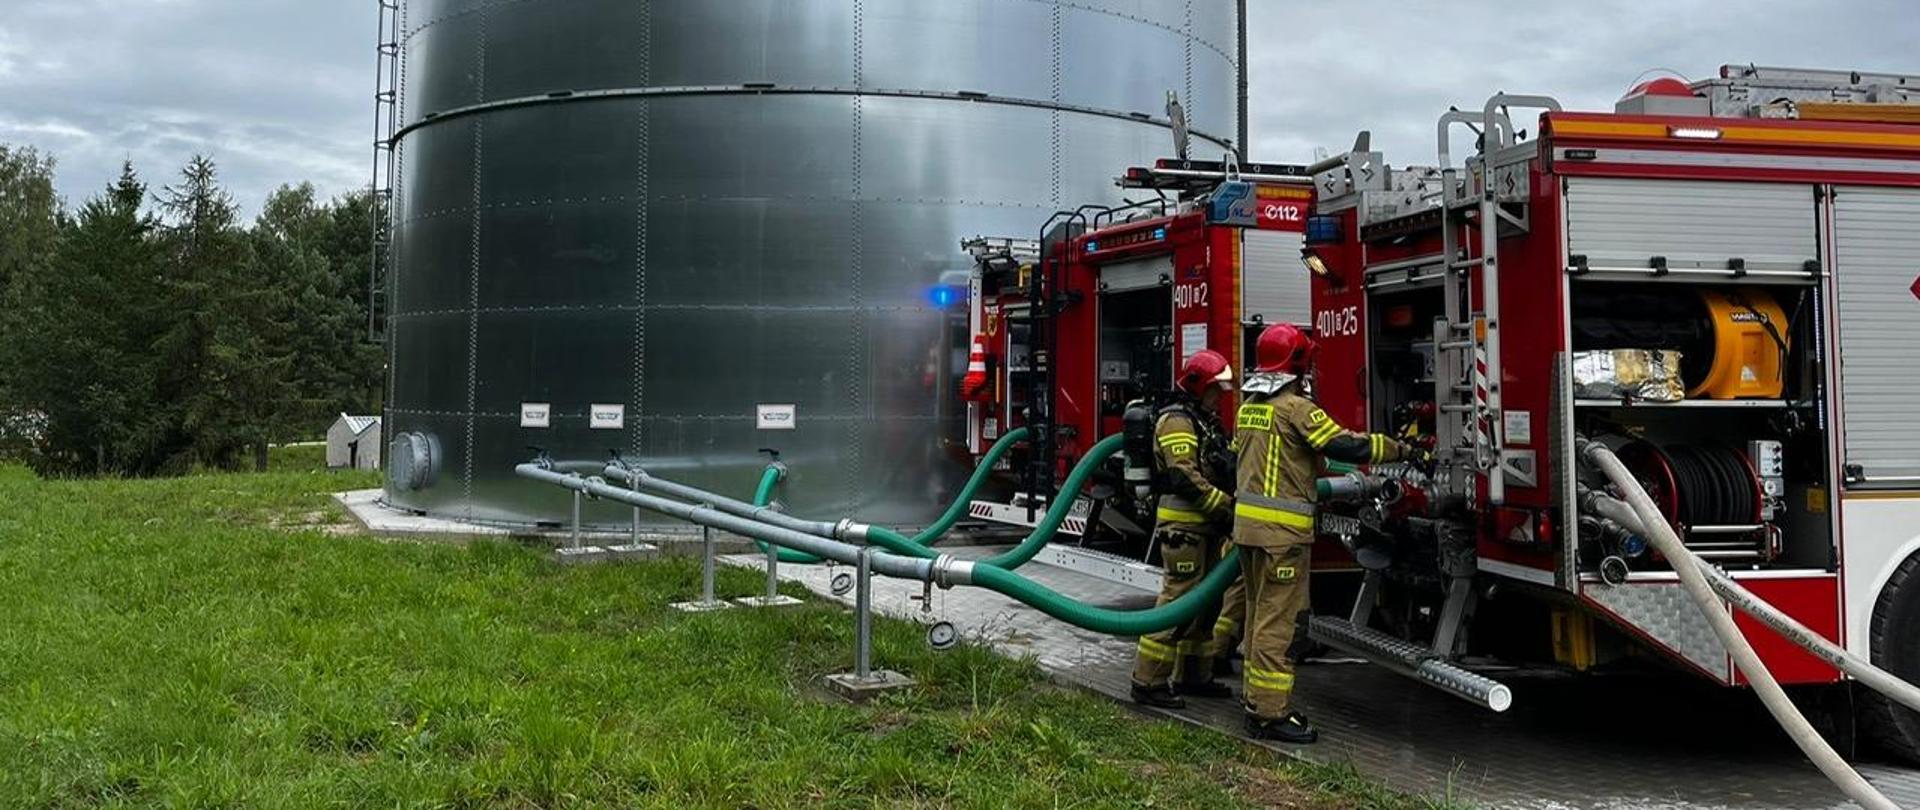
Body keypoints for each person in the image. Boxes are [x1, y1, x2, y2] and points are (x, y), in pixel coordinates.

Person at [1232, 324, 1419, 743]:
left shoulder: (1250, 406)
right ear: (1298, 363)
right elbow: (1344, 446)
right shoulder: (1295, 407)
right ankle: (1268, 714)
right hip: (1282, 535)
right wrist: (1400, 449)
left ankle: (1254, 701)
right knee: (1278, 624)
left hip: (1249, 532)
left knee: (1259, 616)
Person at [1129, 349, 1240, 709]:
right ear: (1197, 385)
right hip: (1185, 528)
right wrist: (1226, 508)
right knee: (1177, 603)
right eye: (1215, 388)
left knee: (1206, 604)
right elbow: (1184, 475)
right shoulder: (1177, 421)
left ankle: (1194, 675)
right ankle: (1148, 681)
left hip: (1206, 528)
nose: (1220, 396)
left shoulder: (1204, 418)